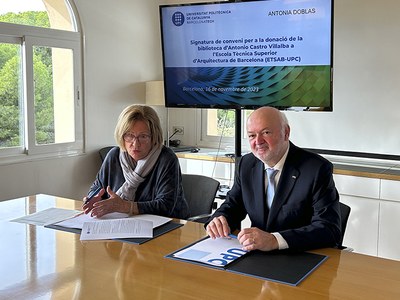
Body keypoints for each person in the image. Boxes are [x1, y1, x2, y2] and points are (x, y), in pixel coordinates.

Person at [206, 106, 341, 252]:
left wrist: (275, 240)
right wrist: (220, 219)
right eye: (252, 135)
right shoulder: (246, 164)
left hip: (300, 257)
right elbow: (233, 205)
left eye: (266, 132)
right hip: (256, 257)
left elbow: (329, 229)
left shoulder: (316, 169)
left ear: (286, 133)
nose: (258, 141)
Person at [83, 105, 189, 219]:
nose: (135, 144)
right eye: (129, 135)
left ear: (154, 137)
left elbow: (165, 207)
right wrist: (92, 197)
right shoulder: (113, 155)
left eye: (143, 136)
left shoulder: (166, 158)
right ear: (121, 135)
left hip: (168, 226)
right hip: (121, 223)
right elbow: (97, 187)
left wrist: (126, 206)